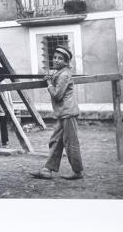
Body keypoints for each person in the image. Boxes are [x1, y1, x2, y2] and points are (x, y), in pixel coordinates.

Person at [30, 46, 84, 180]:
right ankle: (47, 170)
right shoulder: (60, 72)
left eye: (60, 58)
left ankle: (77, 171)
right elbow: (57, 81)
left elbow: (57, 95)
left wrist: (49, 83)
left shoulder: (65, 74)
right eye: (54, 57)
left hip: (68, 113)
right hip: (63, 113)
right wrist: (51, 78)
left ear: (66, 62)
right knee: (56, 140)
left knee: (71, 142)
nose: (56, 60)